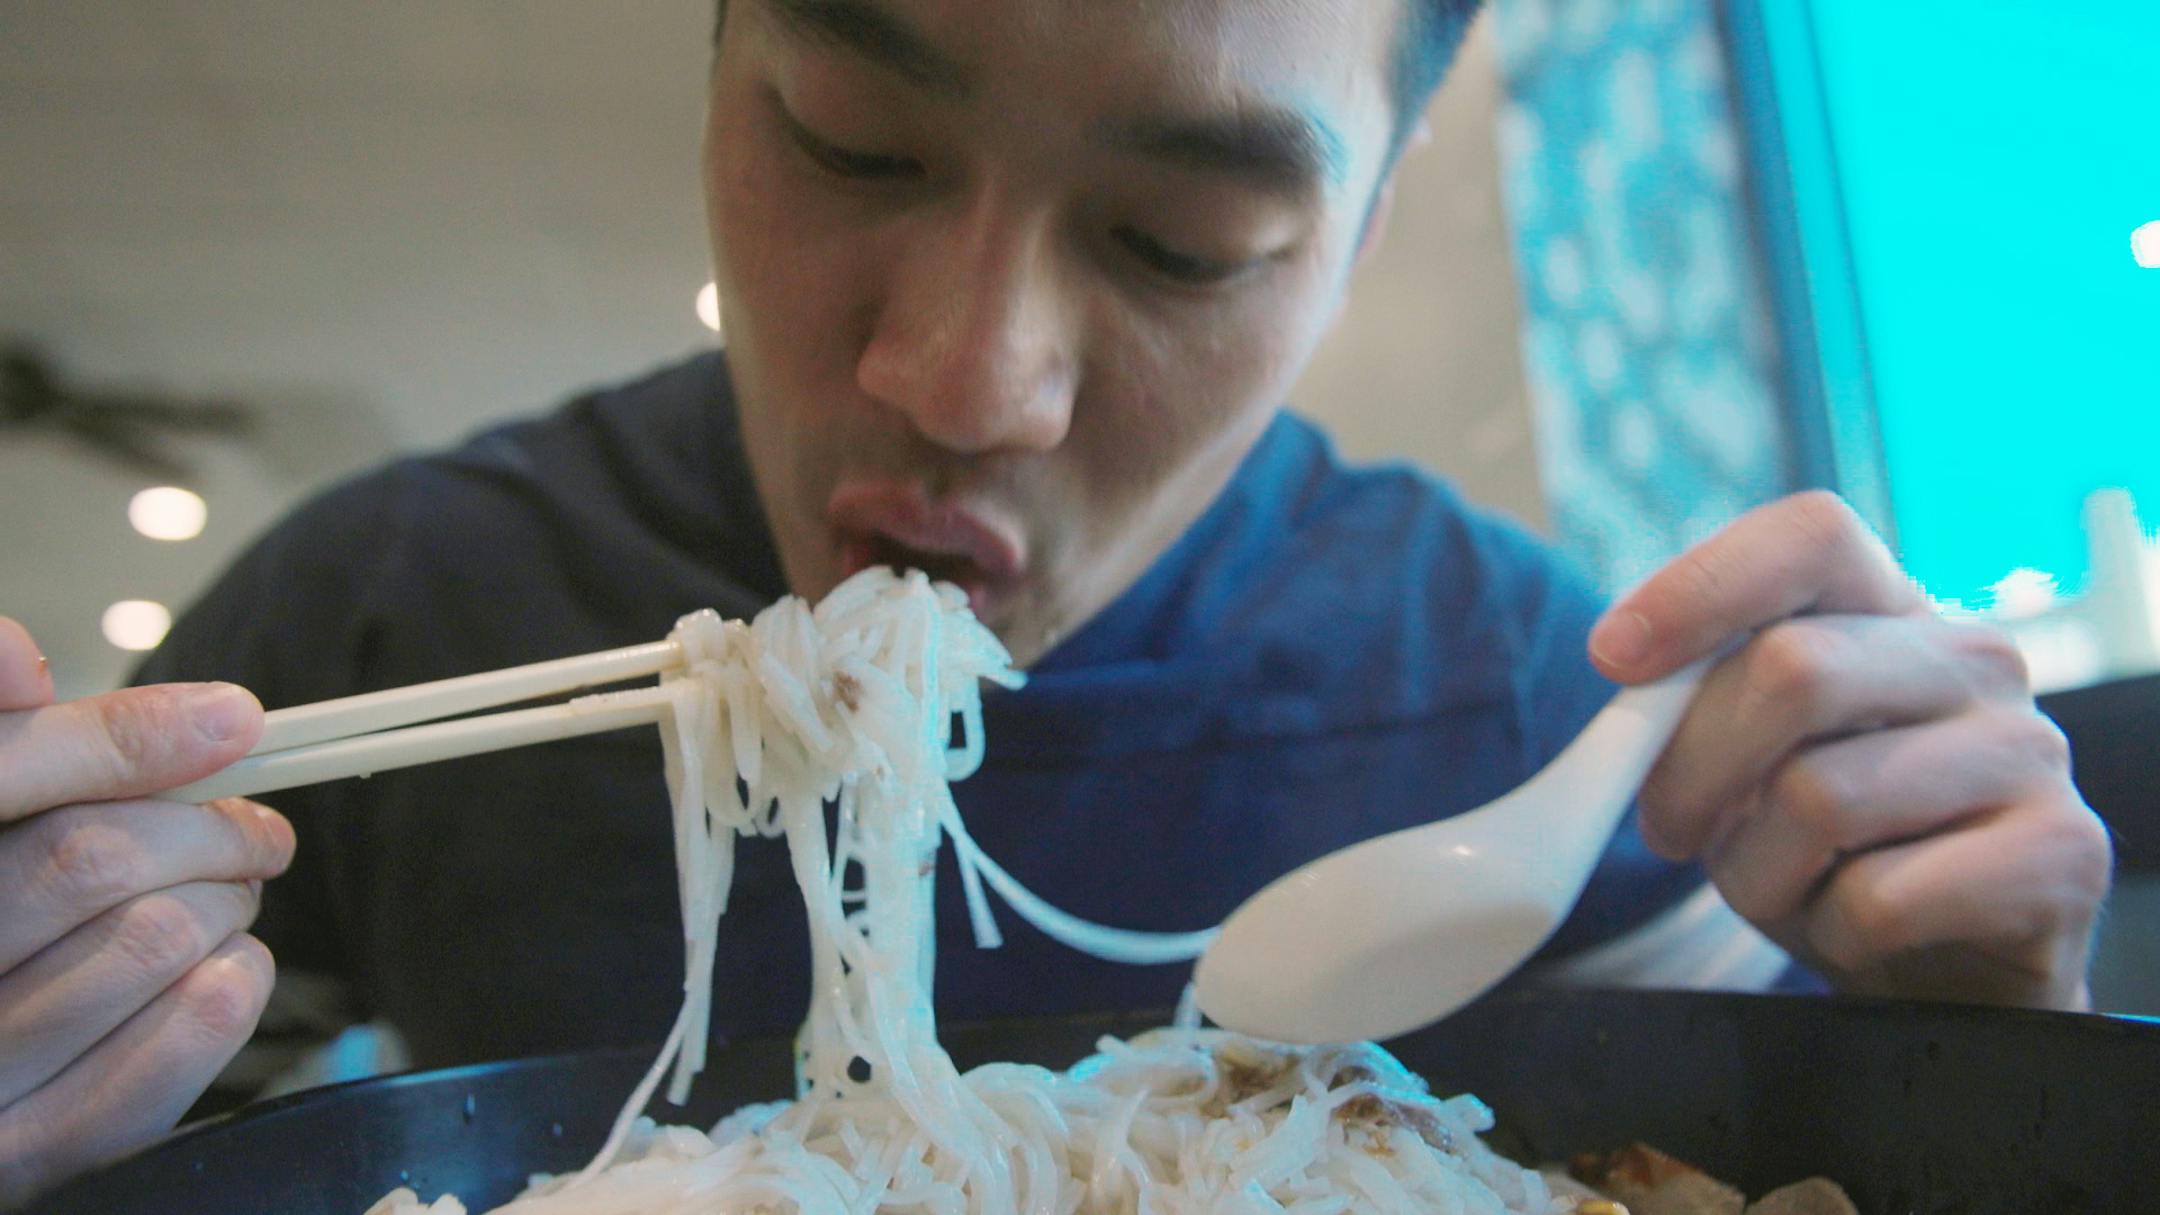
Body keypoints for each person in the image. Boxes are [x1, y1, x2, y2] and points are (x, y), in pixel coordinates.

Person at [0, 0, 2113, 1201]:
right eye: (852, 140)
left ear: (1357, 236)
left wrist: (2011, 1036)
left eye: (1183, 241)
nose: (968, 376)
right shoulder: (384, 607)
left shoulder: (1534, 700)